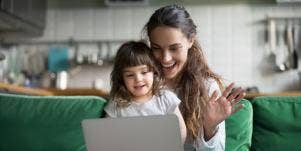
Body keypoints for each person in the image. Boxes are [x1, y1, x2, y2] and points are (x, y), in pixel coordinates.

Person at [142, 4, 246, 151]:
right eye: (156, 48)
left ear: (190, 41)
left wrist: (209, 127)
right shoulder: (141, 84)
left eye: (174, 48)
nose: (165, 59)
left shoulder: (208, 87)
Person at [104, 41, 187, 143]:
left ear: (154, 72)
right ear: (121, 79)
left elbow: (181, 130)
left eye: (144, 72)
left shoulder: (165, 98)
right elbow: (107, 135)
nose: (138, 79)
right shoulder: (116, 104)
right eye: (130, 75)